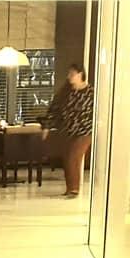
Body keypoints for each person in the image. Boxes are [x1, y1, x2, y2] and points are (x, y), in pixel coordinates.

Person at [47, 63, 94, 198]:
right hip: (68, 130)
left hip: (85, 131)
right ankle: (69, 188)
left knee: (74, 156)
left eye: (72, 74)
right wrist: (47, 125)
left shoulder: (91, 93)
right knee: (67, 158)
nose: (69, 77)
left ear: (80, 74)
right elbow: (55, 109)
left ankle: (74, 189)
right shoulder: (66, 92)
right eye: (69, 74)